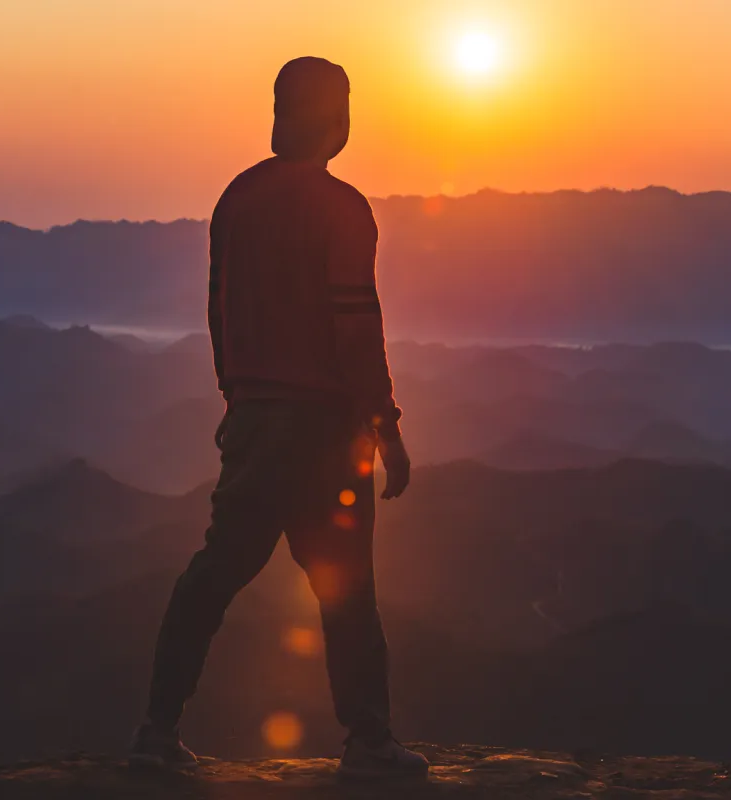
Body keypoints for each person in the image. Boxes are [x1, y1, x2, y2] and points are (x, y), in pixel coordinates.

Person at [129, 56, 428, 780]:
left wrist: (239, 399)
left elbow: (218, 309)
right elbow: (356, 327)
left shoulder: (237, 200)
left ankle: (156, 730)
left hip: (257, 422)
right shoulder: (342, 209)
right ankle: (368, 742)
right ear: (336, 119)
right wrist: (386, 427)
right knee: (347, 590)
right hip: (325, 433)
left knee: (214, 574)